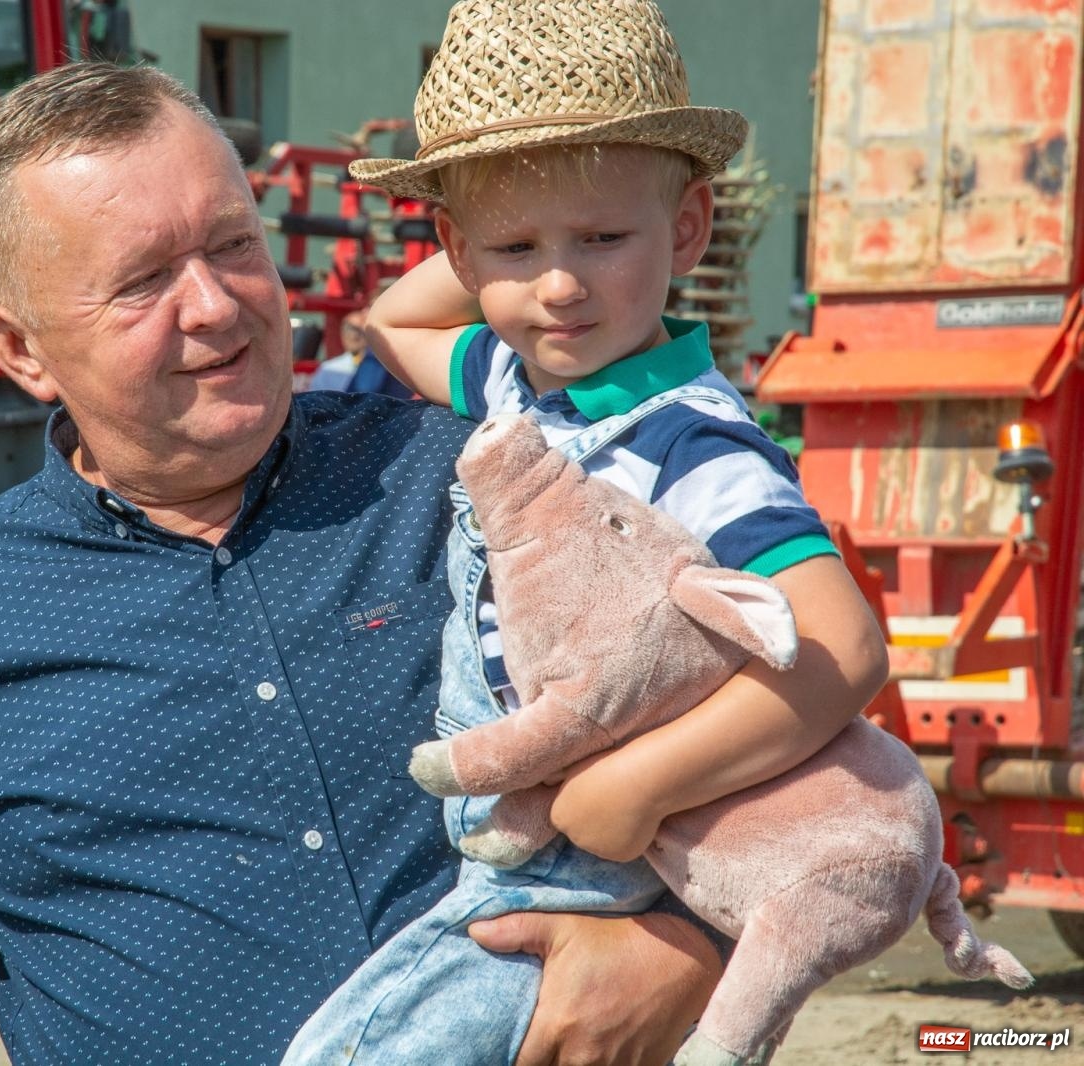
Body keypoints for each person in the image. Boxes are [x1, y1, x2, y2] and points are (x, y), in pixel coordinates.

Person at [0, 61, 730, 1065]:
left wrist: (685, 945)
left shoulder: (478, 483)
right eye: (143, 280)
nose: (212, 305)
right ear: (18, 350)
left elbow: (783, 749)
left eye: (232, 246)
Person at [282, 2, 889, 1064]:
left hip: (600, 853)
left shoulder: (691, 442)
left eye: (604, 238)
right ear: (460, 255)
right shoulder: (517, 377)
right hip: (531, 826)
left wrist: (634, 785)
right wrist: (478, 228)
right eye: (517, 247)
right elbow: (391, 321)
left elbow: (842, 648)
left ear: (690, 229)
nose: (559, 285)